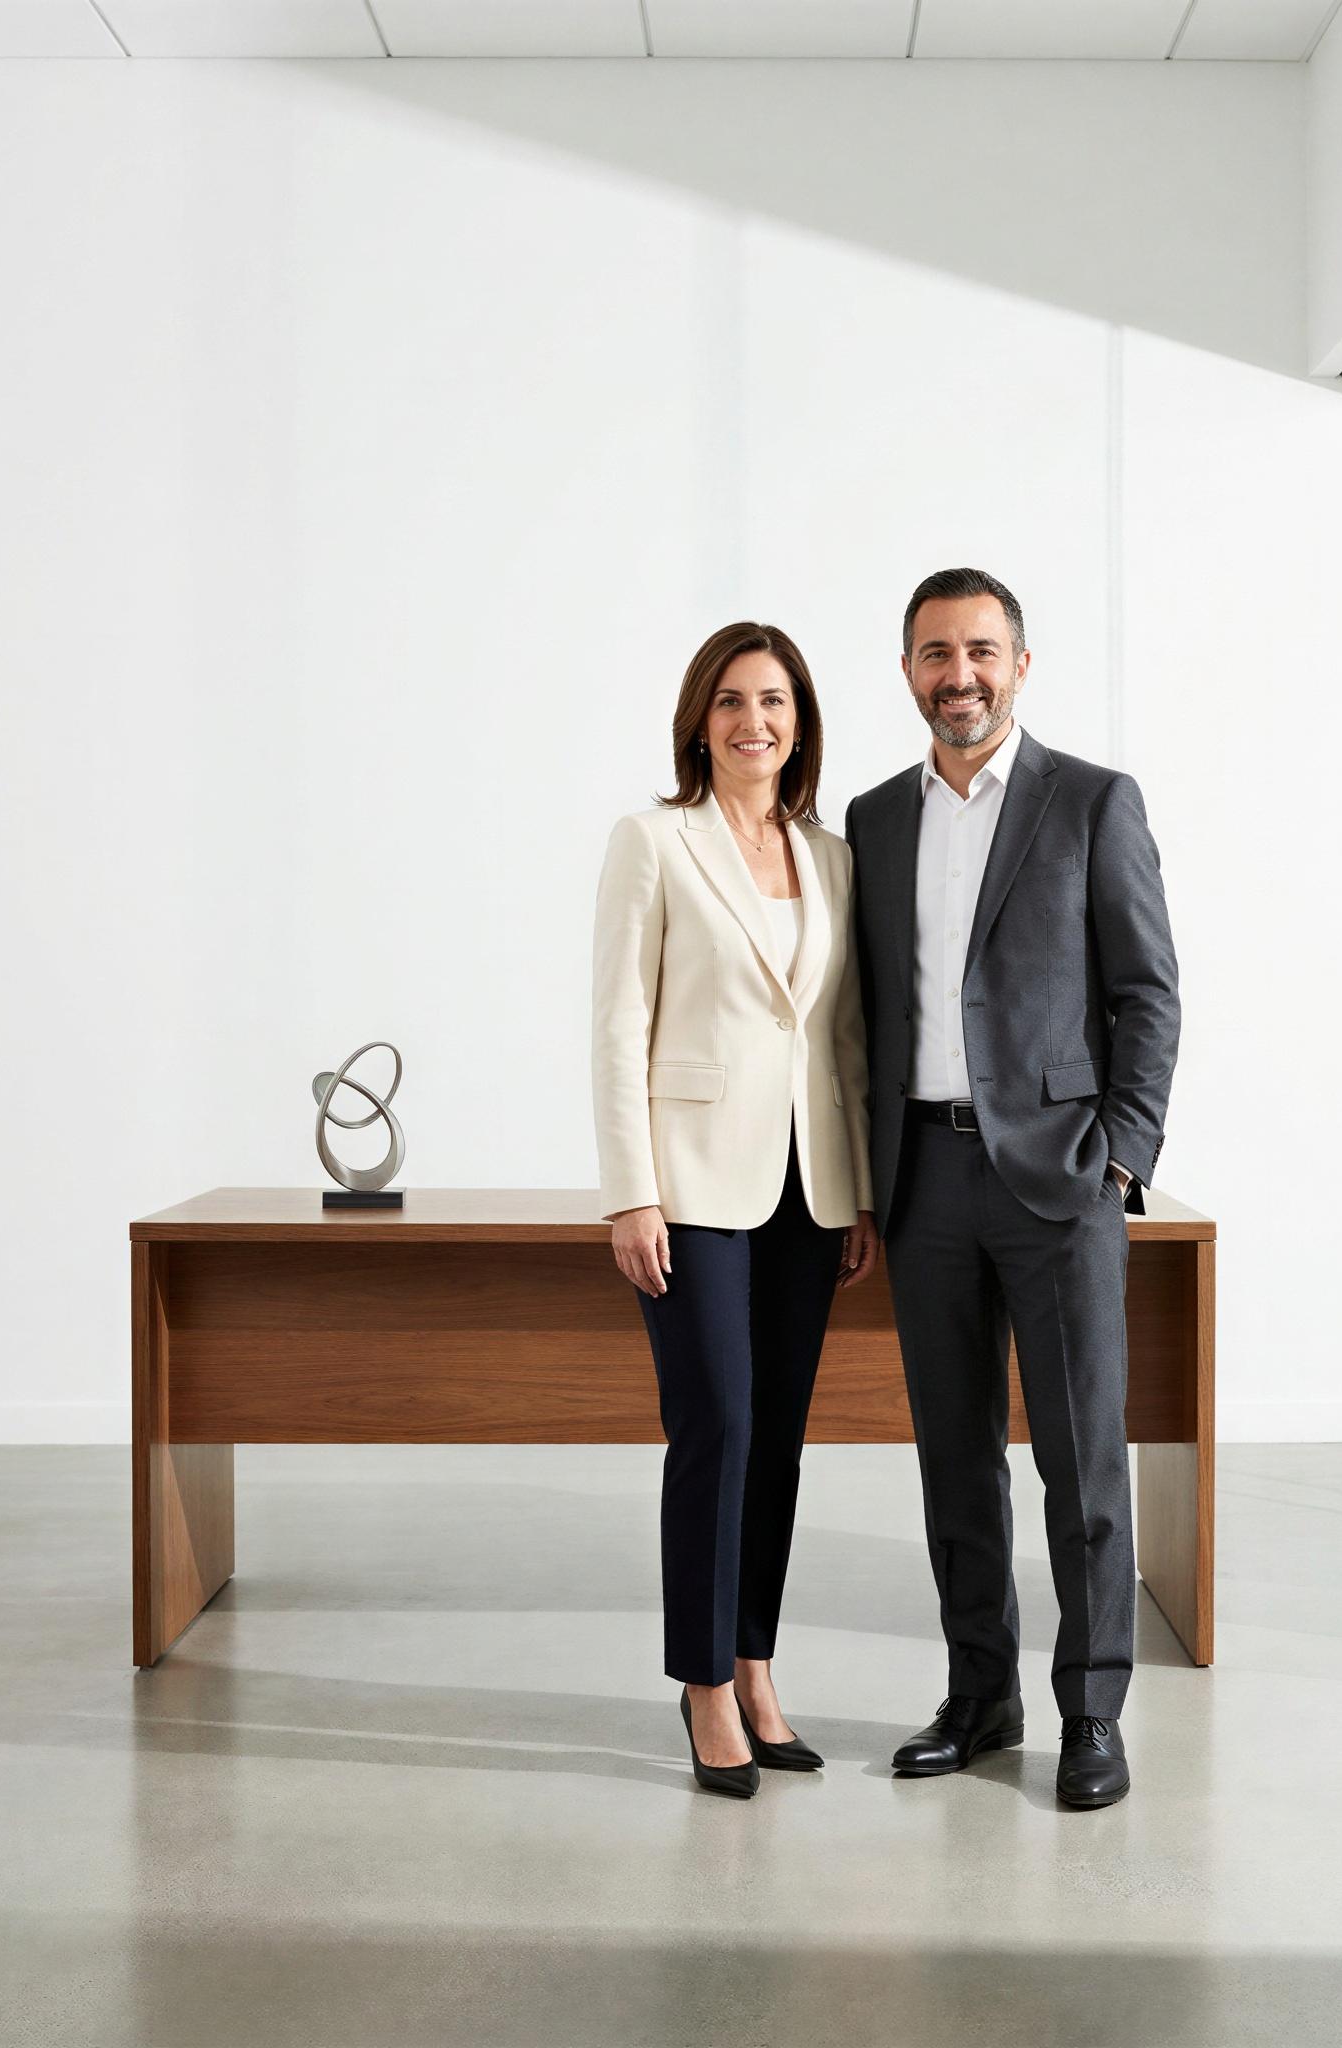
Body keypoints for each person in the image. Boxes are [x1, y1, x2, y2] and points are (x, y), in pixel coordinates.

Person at [844, 567, 1180, 1809]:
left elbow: (1146, 989)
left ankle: (1089, 1710)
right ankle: (977, 1695)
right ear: (908, 672)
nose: (960, 674)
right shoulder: (874, 820)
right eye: (935, 653)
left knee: (1082, 1460)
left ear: (1021, 664)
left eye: (981, 649)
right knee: (953, 1455)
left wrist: (1126, 1153)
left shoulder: (1091, 801)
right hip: (922, 1179)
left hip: (1060, 1184)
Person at [592, 621, 879, 1799]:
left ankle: (756, 1666)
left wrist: (855, 1185)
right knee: (714, 1420)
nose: (750, 720)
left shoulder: (831, 854)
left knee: (778, 1434)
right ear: (697, 721)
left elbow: (842, 1036)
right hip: (695, 1182)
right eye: (728, 701)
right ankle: (701, 1682)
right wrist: (631, 1191)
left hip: (809, 1186)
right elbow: (617, 1023)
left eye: (771, 699)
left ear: (799, 719)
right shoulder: (653, 841)